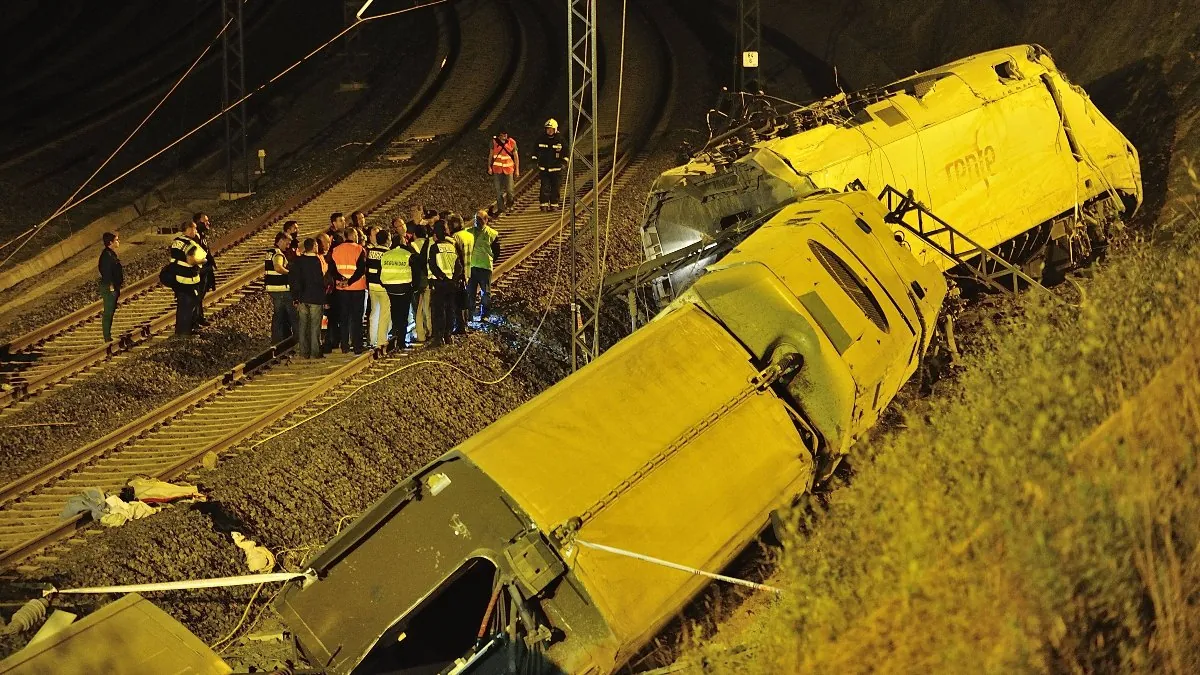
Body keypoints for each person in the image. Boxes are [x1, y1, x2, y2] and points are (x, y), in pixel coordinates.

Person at [331, 228, 368, 353]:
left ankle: (345, 346)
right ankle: (357, 346)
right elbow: (361, 269)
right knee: (356, 318)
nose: (358, 236)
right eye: (356, 234)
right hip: (357, 288)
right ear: (352, 235)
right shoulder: (359, 249)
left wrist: (341, 279)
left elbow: (332, 269)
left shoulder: (336, 250)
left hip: (341, 288)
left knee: (344, 318)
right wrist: (350, 281)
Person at [427, 220, 464, 347]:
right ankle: (448, 335)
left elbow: (432, 265)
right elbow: (459, 266)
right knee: (450, 310)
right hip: (451, 284)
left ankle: (439, 337)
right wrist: (453, 279)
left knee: (439, 311)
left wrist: (441, 277)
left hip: (440, 283)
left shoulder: (434, 247)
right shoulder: (451, 246)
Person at [289, 238, 326, 358]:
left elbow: (294, 280)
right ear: (314, 246)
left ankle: (303, 352)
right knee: (315, 326)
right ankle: (315, 352)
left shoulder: (298, 261)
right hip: (315, 298)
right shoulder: (316, 261)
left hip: (301, 298)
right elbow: (319, 280)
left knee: (303, 326)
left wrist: (295, 297)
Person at [380, 233, 418, 350]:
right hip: (404, 287)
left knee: (395, 313)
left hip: (390, 288)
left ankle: (395, 336)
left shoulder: (385, 255)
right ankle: (401, 341)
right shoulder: (407, 255)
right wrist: (414, 286)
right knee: (403, 314)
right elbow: (417, 265)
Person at [169, 220, 205, 336]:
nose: (196, 230)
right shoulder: (190, 244)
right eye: (194, 228)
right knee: (189, 305)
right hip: (188, 279)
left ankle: (180, 331)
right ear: (189, 229)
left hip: (177, 278)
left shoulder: (176, 241)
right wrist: (202, 260)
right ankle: (185, 332)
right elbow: (190, 260)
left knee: (181, 306)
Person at [466, 209, 501, 321]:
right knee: (470, 292)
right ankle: (469, 315)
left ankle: (485, 315)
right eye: (476, 219)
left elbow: (496, 251)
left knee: (485, 293)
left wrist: (490, 260)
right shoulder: (468, 231)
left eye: (480, 219)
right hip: (471, 267)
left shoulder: (492, 234)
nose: (478, 222)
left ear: (486, 220)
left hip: (485, 267)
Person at [265, 232, 297, 344]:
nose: (288, 246)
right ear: (281, 240)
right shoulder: (278, 254)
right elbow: (278, 267)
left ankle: (277, 342)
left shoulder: (270, 252)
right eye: (287, 243)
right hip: (281, 289)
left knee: (278, 316)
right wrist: (290, 273)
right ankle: (297, 341)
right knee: (292, 316)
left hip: (273, 288)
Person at [365, 230, 392, 348]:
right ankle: (381, 340)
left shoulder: (371, 251)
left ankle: (372, 339)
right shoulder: (388, 253)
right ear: (387, 240)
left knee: (374, 312)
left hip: (372, 285)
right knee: (384, 313)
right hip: (383, 286)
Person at [533, 118, 568, 210]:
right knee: (544, 186)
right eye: (548, 129)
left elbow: (566, 152)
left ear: (555, 129)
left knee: (555, 187)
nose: (549, 131)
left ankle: (554, 204)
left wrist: (564, 163)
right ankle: (543, 204)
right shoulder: (541, 139)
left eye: (551, 129)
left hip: (556, 169)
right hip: (544, 168)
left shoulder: (560, 140)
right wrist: (534, 161)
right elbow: (535, 151)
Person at [98, 232, 123, 343]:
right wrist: (112, 287)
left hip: (112, 287)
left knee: (110, 311)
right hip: (109, 288)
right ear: (110, 243)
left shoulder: (110, 254)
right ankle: (107, 337)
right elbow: (107, 273)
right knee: (108, 312)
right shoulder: (107, 256)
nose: (118, 242)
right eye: (116, 240)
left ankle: (108, 335)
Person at [409, 222, 432, 344]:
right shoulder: (430, 244)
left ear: (414, 235)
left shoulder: (412, 245)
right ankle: (431, 331)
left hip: (417, 281)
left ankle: (421, 335)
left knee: (417, 310)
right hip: (428, 279)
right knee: (428, 308)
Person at [449, 214, 472, 334]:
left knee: (458, 301)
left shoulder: (455, 237)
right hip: (469, 271)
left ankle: (460, 325)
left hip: (460, 273)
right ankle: (467, 322)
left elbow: (455, 258)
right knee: (466, 299)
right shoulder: (469, 235)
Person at [488, 129, 519, 214]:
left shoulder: (512, 142)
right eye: (503, 134)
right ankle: (501, 208)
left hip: (508, 169)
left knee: (510, 190)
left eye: (506, 134)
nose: (505, 136)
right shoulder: (494, 142)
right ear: (499, 135)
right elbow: (491, 155)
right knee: (498, 191)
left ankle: (510, 205)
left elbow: (516, 157)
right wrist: (489, 167)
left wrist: (517, 170)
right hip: (497, 170)